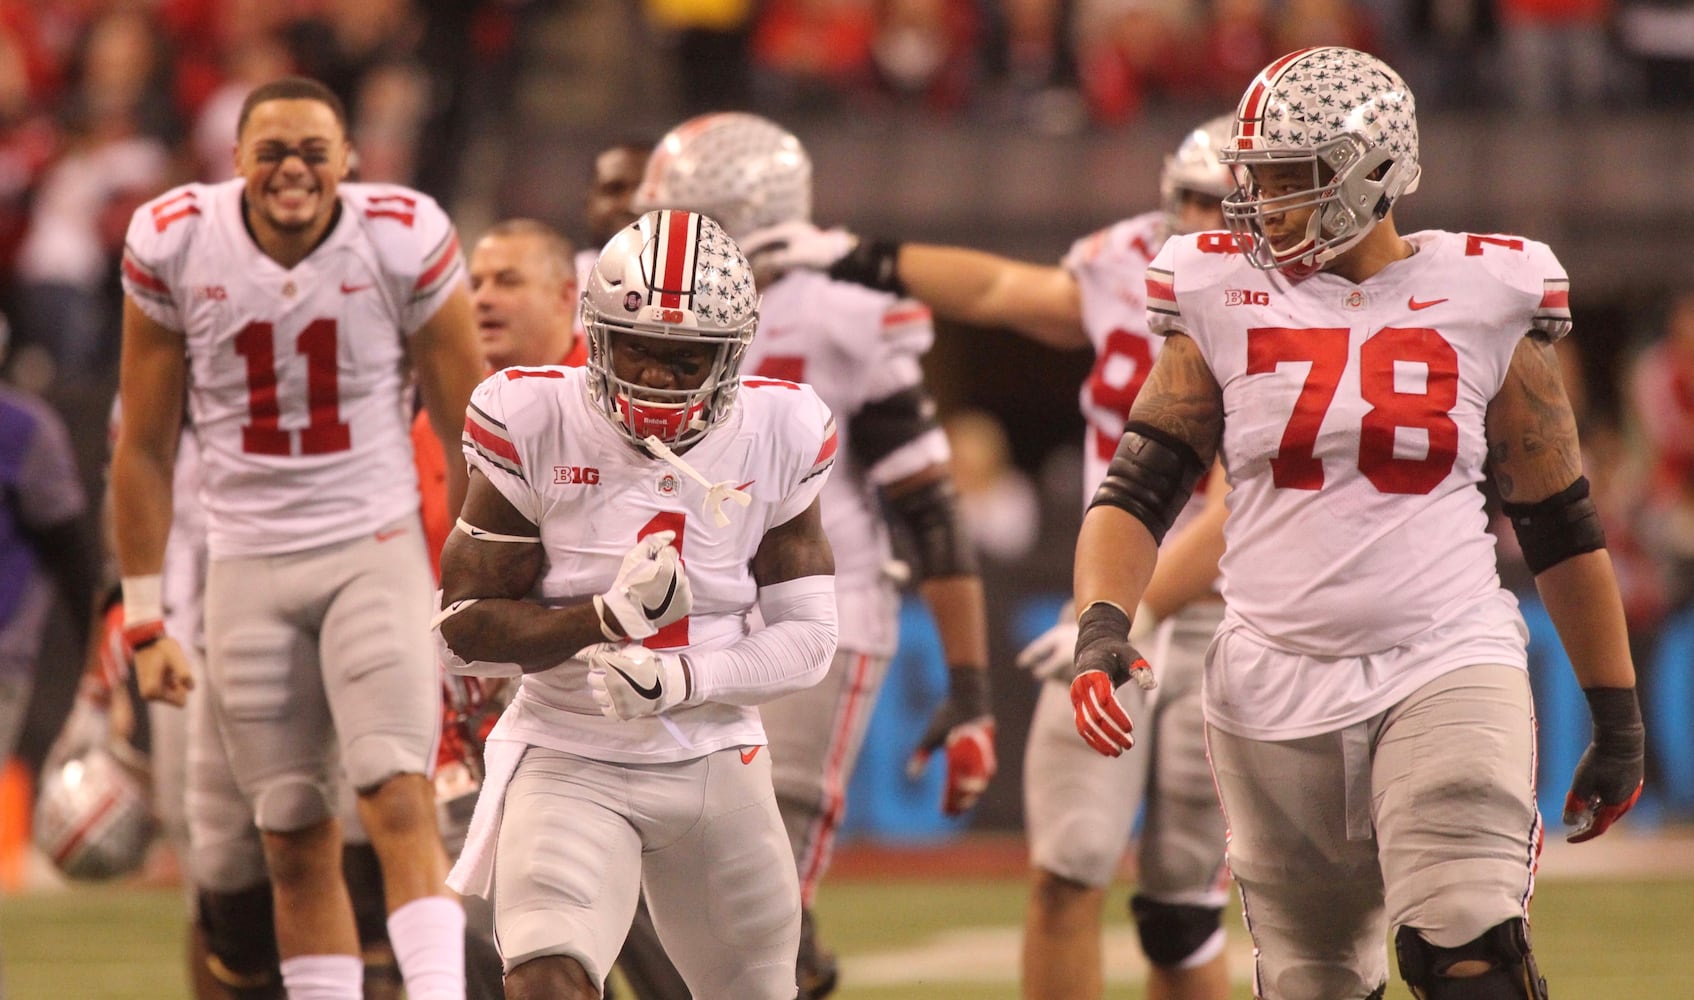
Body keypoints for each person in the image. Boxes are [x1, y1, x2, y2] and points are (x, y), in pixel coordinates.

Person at [1067, 47, 1645, 999]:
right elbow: (1137, 491)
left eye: (1291, 180)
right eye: (1259, 180)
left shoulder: (1489, 294)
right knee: (1314, 981)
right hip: (1268, 679)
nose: (1262, 206)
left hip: (1443, 655)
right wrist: (1102, 623)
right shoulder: (1218, 292)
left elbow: (1560, 524)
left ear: (1371, 173)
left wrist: (1616, 715)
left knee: (1466, 943)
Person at [746, 116, 1239, 1000]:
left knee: (1182, 907)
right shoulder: (1130, 259)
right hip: (1114, 602)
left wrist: (1138, 611)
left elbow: (1239, 510)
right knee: (1063, 869)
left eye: (1222, 202)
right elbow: (1007, 289)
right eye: (1191, 198)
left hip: (1231, 616)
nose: (1201, 218)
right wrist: (862, 254)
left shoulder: (1286, 300)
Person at [111, 76, 483, 1000]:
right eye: (271, 150)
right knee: (288, 834)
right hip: (243, 559)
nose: (293, 170)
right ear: (233, 158)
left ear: (349, 161)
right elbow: (145, 450)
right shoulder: (177, 241)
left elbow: (469, 422)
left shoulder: (400, 233)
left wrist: (482, 578)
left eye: (315, 151)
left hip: (372, 542)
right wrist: (147, 617)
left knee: (398, 796)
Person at [633, 111, 997, 999]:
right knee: (658, 881)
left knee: (754, 893)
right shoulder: (637, 311)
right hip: (688, 616)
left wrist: (972, 686)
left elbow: (931, 508)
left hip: (815, 620)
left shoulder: (842, 314)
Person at [435, 208, 840, 1000]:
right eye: (636, 349)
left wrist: (683, 679)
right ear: (594, 334)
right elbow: (460, 633)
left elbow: (812, 638)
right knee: (547, 981)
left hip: (715, 754)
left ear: (729, 356)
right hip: (567, 750)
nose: (655, 375)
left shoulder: (782, 429)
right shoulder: (534, 417)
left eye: (684, 359)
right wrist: (605, 620)